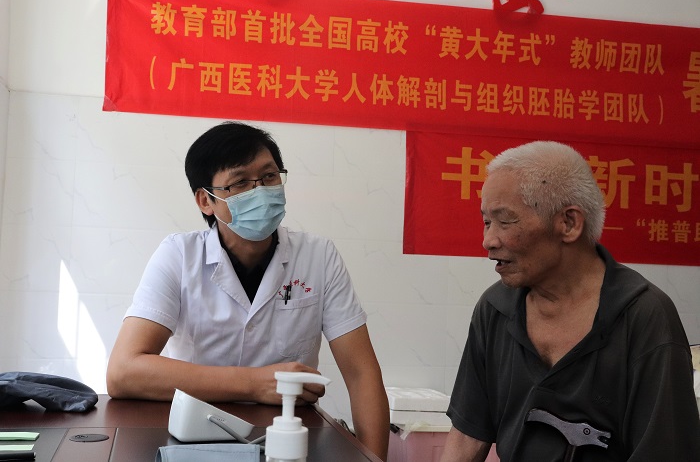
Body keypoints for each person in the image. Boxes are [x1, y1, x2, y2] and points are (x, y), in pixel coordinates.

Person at [107, 121, 390, 460]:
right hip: (192, 439)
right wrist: (255, 384)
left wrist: (375, 460)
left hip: (289, 438)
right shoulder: (179, 255)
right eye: (240, 182)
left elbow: (361, 375)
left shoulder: (319, 256)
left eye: (269, 177)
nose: (260, 191)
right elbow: (123, 372)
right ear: (205, 200)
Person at [441, 141, 700, 462]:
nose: (488, 240)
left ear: (569, 223)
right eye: (486, 222)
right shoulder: (495, 308)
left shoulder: (643, 316)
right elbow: (467, 438)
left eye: (505, 221)